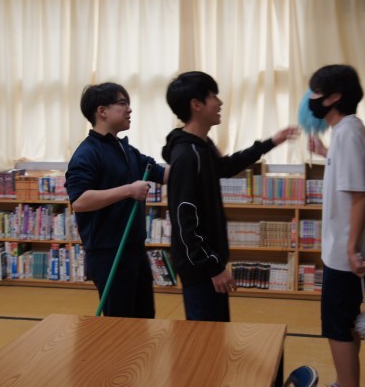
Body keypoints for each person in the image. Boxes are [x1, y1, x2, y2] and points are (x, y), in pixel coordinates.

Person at [161, 71, 298, 322]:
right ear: (196, 105)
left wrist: (271, 142)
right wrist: (213, 267)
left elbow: (225, 166)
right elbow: (185, 220)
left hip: (208, 263)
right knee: (207, 336)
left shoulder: (202, 147)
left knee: (217, 333)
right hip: (201, 268)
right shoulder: (188, 155)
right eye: (213, 96)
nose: (220, 102)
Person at [306, 64, 365, 387]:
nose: (310, 99)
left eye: (316, 93)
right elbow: (349, 173)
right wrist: (325, 152)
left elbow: (360, 195)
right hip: (345, 251)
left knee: (336, 325)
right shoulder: (346, 131)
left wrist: (351, 249)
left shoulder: (348, 133)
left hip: (345, 254)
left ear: (334, 97)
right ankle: (344, 381)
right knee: (347, 320)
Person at [65, 82, 168, 318]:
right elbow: (79, 200)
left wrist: (192, 158)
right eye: (122, 103)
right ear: (102, 111)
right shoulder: (87, 153)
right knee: (119, 325)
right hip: (108, 253)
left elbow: (162, 174)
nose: (129, 109)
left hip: (135, 248)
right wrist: (128, 190)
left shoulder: (126, 150)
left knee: (144, 318)